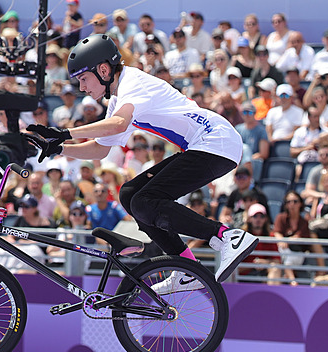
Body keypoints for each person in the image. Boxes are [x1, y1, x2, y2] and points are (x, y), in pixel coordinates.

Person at [27, 34, 259, 291]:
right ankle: (186, 268)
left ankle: (228, 236)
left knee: (144, 201)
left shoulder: (133, 82)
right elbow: (100, 150)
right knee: (129, 194)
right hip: (204, 144)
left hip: (216, 141)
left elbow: (118, 124)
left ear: (103, 70)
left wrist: (67, 132)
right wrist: (59, 148)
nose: (82, 87)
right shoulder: (117, 97)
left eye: (83, 78)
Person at [239, 203, 281, 281]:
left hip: (264, 274)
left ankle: (270, 293)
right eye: (255, 216)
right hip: (245, 275)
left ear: (265, 219)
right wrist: (253, 264)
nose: (258, 219)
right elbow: (235, 266)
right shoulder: (241, 237)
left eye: (261, 216)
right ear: (249, 219)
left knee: (275, 269)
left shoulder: (270, 237)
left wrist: (264, 262)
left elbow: (277, 261)